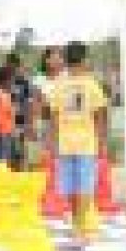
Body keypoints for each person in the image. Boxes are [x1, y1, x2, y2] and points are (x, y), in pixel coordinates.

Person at [44, 41, 108, 240]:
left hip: (65, 143)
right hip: (86, 143)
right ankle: (80, 223)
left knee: (71, 187)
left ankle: (77, 222)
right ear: (84, 59)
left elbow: (53, 117)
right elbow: (100, 115)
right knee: (84, 187)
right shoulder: (91, 84)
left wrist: (52, 144)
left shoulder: (58, 85)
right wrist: (102, 141)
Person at [4, 53, 34, 169]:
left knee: (22, 149)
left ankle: (22, 173)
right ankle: (11, 174)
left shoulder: (24, 82)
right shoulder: (3, 82)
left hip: (21, 121)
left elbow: (28, 103)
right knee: (10, 151)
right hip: (6, 122)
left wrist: (28, 123)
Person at [0, 66, 18, 169]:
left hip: (9, 130)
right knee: (3, 159)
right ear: (5, 79)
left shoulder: (8, 93)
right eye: (11, 79)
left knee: (9, 158)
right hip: (1, 131)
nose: (12, 82)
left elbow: (11, 112)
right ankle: (2, 180)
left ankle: (7, 180)